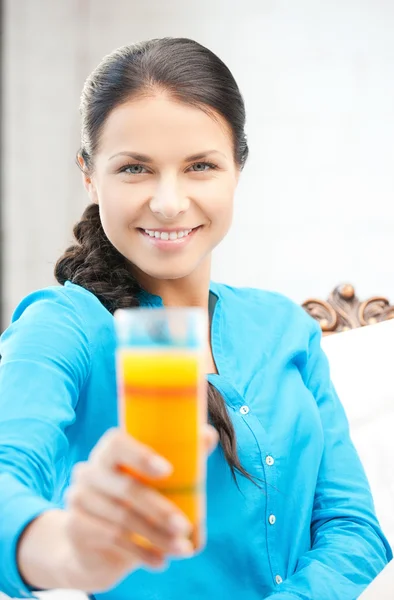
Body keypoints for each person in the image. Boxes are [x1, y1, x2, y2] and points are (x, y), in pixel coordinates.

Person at [0, 37, 391, 600]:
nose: (168, 201)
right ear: (89, 175)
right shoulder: (63, 329)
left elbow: (354, 530)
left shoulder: (283, 328)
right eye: (135, 168)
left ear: (238, 167)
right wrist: (66, 552)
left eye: (200, 166)